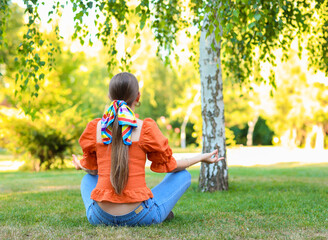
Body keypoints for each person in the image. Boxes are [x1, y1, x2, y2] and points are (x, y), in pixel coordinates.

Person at [72, 72, 224, 226]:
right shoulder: (145, 129)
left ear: (109, 96)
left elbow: (93, 171)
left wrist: (81, 165)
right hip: (140, 216)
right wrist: (202, 157)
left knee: (88, 178)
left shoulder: (96, 129)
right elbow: (171, 166)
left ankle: (140, 211)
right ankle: (158, 211)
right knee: (183, 175)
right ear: (137, 97)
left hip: (100, 218)